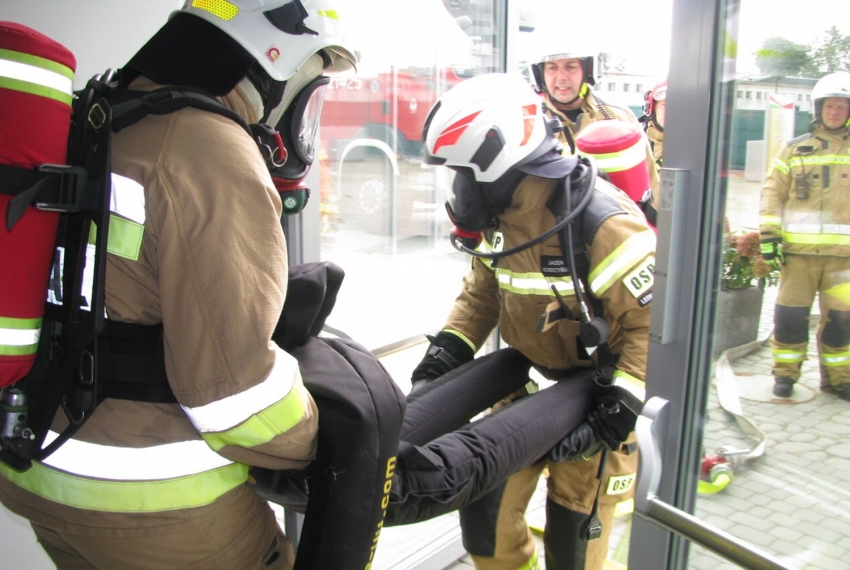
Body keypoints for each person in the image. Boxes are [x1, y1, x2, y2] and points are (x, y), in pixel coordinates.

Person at [0, 2, 356, 569]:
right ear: (271, 62)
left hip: (42, 477)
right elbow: (236, 401)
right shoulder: (209, 148)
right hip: (158, 510)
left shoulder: (98, 114)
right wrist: (334, 440)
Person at [411, 72, 653, 570]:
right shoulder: (503, 219)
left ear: (499, 157)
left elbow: (651, 324)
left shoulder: (599, 224)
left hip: (595, 408)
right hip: (521, 396)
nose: (459, 188)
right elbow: (482, 296)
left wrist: (620, 406)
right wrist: (445, 355)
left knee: (573, 543)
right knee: (486, 522)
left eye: (463, 172)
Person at [760, 71, 850, 400]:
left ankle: (838, 379)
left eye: (843, 106)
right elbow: (772, 193)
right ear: (818, 108)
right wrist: (769, 235)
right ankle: (785, 375)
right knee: (790, 318)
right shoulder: (795, 149)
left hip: (845, 262)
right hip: (798, 257)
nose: (835, 111)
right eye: (830, 105)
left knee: (842, 323)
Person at [530, 47, 660, 217]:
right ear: (541, 74)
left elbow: (651, 185)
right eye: (552, 68)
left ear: (587, 70)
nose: (561, 77)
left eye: (571, 67)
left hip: (612, 228)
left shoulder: (618, 117)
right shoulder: (528, 123)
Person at [641, 79, 667, 172]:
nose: (671, 111)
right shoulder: (636, 143)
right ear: (652, 109)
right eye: (665, 105)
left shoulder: (698, 145)